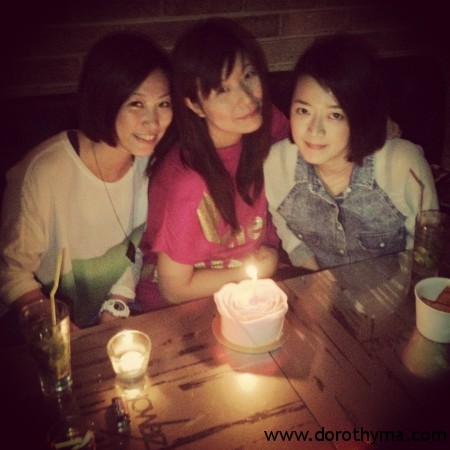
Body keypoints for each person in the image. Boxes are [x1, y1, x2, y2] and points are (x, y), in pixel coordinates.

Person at [0, 32, 173, 342]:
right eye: (136, 103)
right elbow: (11, 274)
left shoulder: (152, 164)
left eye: (163, 104)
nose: (153, 121)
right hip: (39, 324)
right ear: (104, 99)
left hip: (112, 311)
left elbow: (136, 249)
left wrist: (117, 302)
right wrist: (66, 332)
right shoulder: (44, 172)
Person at [136, 18, 290, 310]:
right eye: (222, 90)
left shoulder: (266, 124)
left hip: (251, 290)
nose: (246, 99)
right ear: (194, 105)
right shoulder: (188, 182)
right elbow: (174, 290)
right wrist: (253, 271)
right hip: (182, 309)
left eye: (248, 75)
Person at [264, 33, 438, 271]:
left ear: (360, 116)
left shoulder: (403, 165)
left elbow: (426, 254)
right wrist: (318, 283)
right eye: (304, 111)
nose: (314, 130)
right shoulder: (275, 165)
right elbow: (290, 236)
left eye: (335, 115)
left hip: (397, 290)